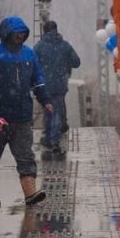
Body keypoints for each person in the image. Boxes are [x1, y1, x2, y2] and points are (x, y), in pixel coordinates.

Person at [0, 15, 53, 208]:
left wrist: (45, 100)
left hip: (22, 115)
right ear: (7, 34)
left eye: (21, 33)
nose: (19, 36)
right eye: (16, 33)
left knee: (25, 155)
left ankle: (30, 192)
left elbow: (38, 79)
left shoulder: (29, 54)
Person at [34, 20, 81, 154]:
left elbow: (31, 63)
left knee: (48, 110)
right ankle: (53, 139)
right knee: (56, 111)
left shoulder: (39, 47)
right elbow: (76, 62)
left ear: (44, 31)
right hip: (60, 84)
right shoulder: (65, 46)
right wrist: (64, 64)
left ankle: (50, 138)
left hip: (44, 85)